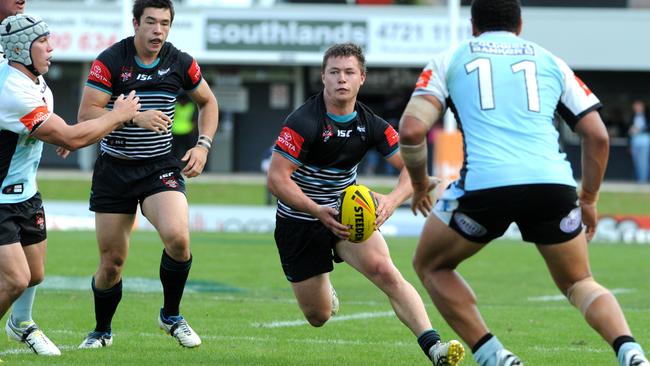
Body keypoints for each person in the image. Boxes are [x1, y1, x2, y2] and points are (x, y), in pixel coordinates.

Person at [398, 1, 650, 365]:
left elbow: (411, 129)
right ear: (520, 25)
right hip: (553, 185)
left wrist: (420, 185)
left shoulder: (448, 59)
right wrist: (590, 199)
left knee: (431, 265)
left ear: (472, 25)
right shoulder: (550, 60)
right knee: (580, 282)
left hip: (486, 188)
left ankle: (494, 356)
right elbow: (598, 136)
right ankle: (632, 352)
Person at [267, 43, 465, 366]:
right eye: (334, 72)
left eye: (348, 73)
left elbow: (413, 169)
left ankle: (435, 349)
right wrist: (316, 210)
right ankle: (325, 293)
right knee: (319, 315)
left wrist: (390, 201)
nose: (341, 79)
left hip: (347, 216)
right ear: (323, 78)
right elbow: (277, 180)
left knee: (386, 272)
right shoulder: (303, 121)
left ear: (362, 78)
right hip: (301, 221)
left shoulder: (371, 124)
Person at [76, 0, 219, 349]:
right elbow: (86, 114)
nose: (158, 30)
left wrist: (202, 146)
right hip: (115, 169)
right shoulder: (111, 60)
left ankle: (170, 316)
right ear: (136, 22)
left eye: (165, 23)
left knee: (179, 239)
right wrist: (131, 115)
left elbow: (208, 102)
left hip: (159, 168)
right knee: (112, 263)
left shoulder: (180, 62)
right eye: (151, 22)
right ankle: (101, 331)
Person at [0, 14, 140, 357]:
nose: (51, 48)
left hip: (26, 194)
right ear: (21, 48)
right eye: (43, 42)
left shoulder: (35, 82)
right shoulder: (11, 91)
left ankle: (20, 324)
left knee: (35, 274)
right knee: (15, 279)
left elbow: (56, 130)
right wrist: (118, 114)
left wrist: (60, 135)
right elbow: (72, 137)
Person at [171, 92, 198, 160]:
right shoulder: (191, 106)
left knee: (177, 153)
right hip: (179, 132)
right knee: (178, 153)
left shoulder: (176, 105)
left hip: (185, 132)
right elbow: (194, 120)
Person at [629, 100, 650, 183]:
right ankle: (639, 179)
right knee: (636, 161)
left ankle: (643, 180)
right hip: (635, 140)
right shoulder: (632, 116)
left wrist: (640, 129)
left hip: (645, 140)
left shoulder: (647, 116)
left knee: (644, 161)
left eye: (639, 106)